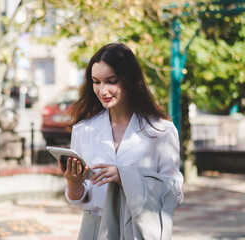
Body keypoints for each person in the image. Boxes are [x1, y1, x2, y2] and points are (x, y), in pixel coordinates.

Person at [58, 43, 184, 240]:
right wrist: (73, 184)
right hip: (94, 229)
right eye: (96, 81)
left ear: (129, 80)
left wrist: (125, 177)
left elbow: (174, 192)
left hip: (137, 229)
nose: (102, 90)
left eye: (111, 81)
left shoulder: (161, 130)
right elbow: (80, 199)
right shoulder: (84, 130)